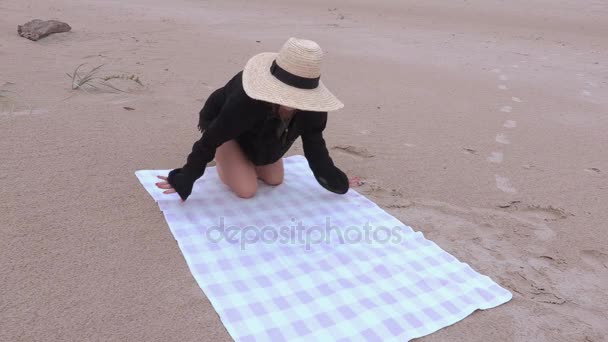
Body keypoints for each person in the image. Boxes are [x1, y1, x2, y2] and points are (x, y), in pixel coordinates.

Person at [156, 37, 349, 200]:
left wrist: (335, 179)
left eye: (299, 95)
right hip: (224, 127)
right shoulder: (247, 100)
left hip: (261, 129)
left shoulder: (313, 109)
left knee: (274, 179)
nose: (292, 100)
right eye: (287, 93)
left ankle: (241, 160)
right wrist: (186, 177)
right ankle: (225, 158)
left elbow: (315, 144)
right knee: (247, 190)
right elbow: (210, 139)